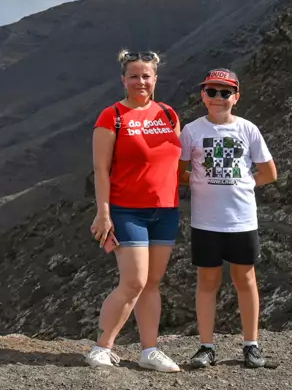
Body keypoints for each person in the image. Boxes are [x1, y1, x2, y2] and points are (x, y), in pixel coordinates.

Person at [86, 49, 184, 372]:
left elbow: (175, 164)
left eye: (146, 76)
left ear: (155, 79)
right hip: (128, 211)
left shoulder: (168, 115)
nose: (140, 81)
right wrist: (104, 213)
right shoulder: (111, 116)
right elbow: (101, 170)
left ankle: (149, 350)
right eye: (134, 76)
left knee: (152, 283)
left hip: (166, 210)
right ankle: (102, 347)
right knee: (134, 281)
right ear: (123, 79)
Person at [178, 68, 278, 369]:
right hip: (206, 222)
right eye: (211, 91)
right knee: (207, 282)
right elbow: (179, 171)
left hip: (241, 220)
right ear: (202, 95)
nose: (218, 98)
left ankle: (251, 345)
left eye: (225, 92)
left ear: (236, 96)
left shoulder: (248, 130)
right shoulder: (192, 131)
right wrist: (201, 182)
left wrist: (242, 185)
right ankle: (206, 347)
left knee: (245, 280)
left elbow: (269, 173)